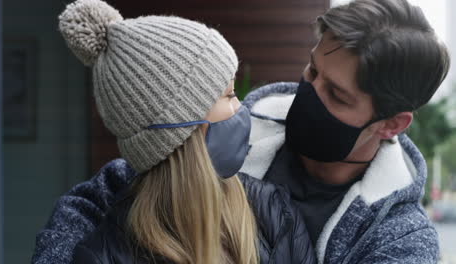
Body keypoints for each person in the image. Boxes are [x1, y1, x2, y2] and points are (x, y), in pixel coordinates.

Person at [33, 0, 450, 263]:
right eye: (312, 70)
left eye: (337, 96)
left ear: (391, 124)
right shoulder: (232, 132)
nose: (307, 92)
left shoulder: (399, 242)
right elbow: (105, 194)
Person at [32, 0, 316, 264]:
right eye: (228, 95)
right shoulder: (106, 254)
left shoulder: (274, 210)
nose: (241, 107)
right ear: (179, 129)